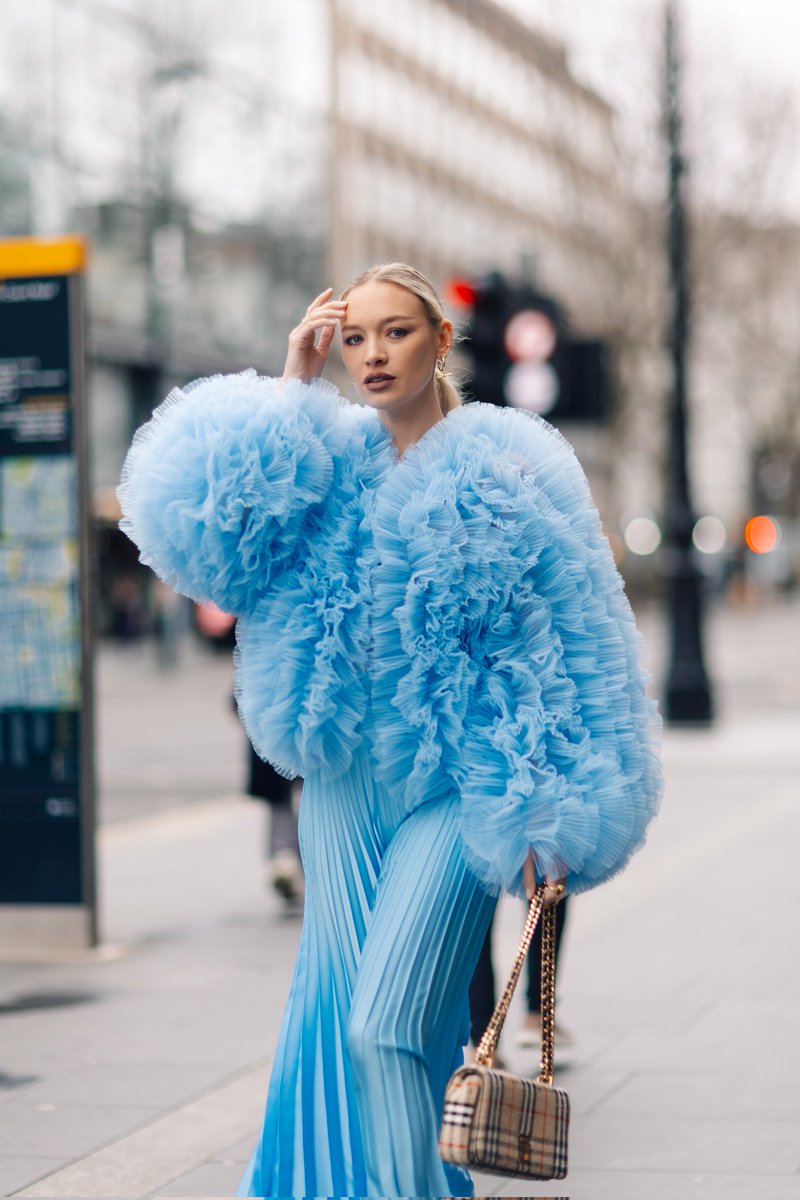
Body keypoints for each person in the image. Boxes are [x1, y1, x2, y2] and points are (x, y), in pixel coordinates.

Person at [117, 262, 662, 1198]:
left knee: (391, 1023)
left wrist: (556, 809)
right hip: (340, 785)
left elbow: (572, 643)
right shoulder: (321, 459)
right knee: (342, 1018)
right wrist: (292, 380)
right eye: (355, 336)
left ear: (441, 341)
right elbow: (210, 544)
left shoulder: (511, 465)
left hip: (457, 792)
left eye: (396, 332)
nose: (371, 355)